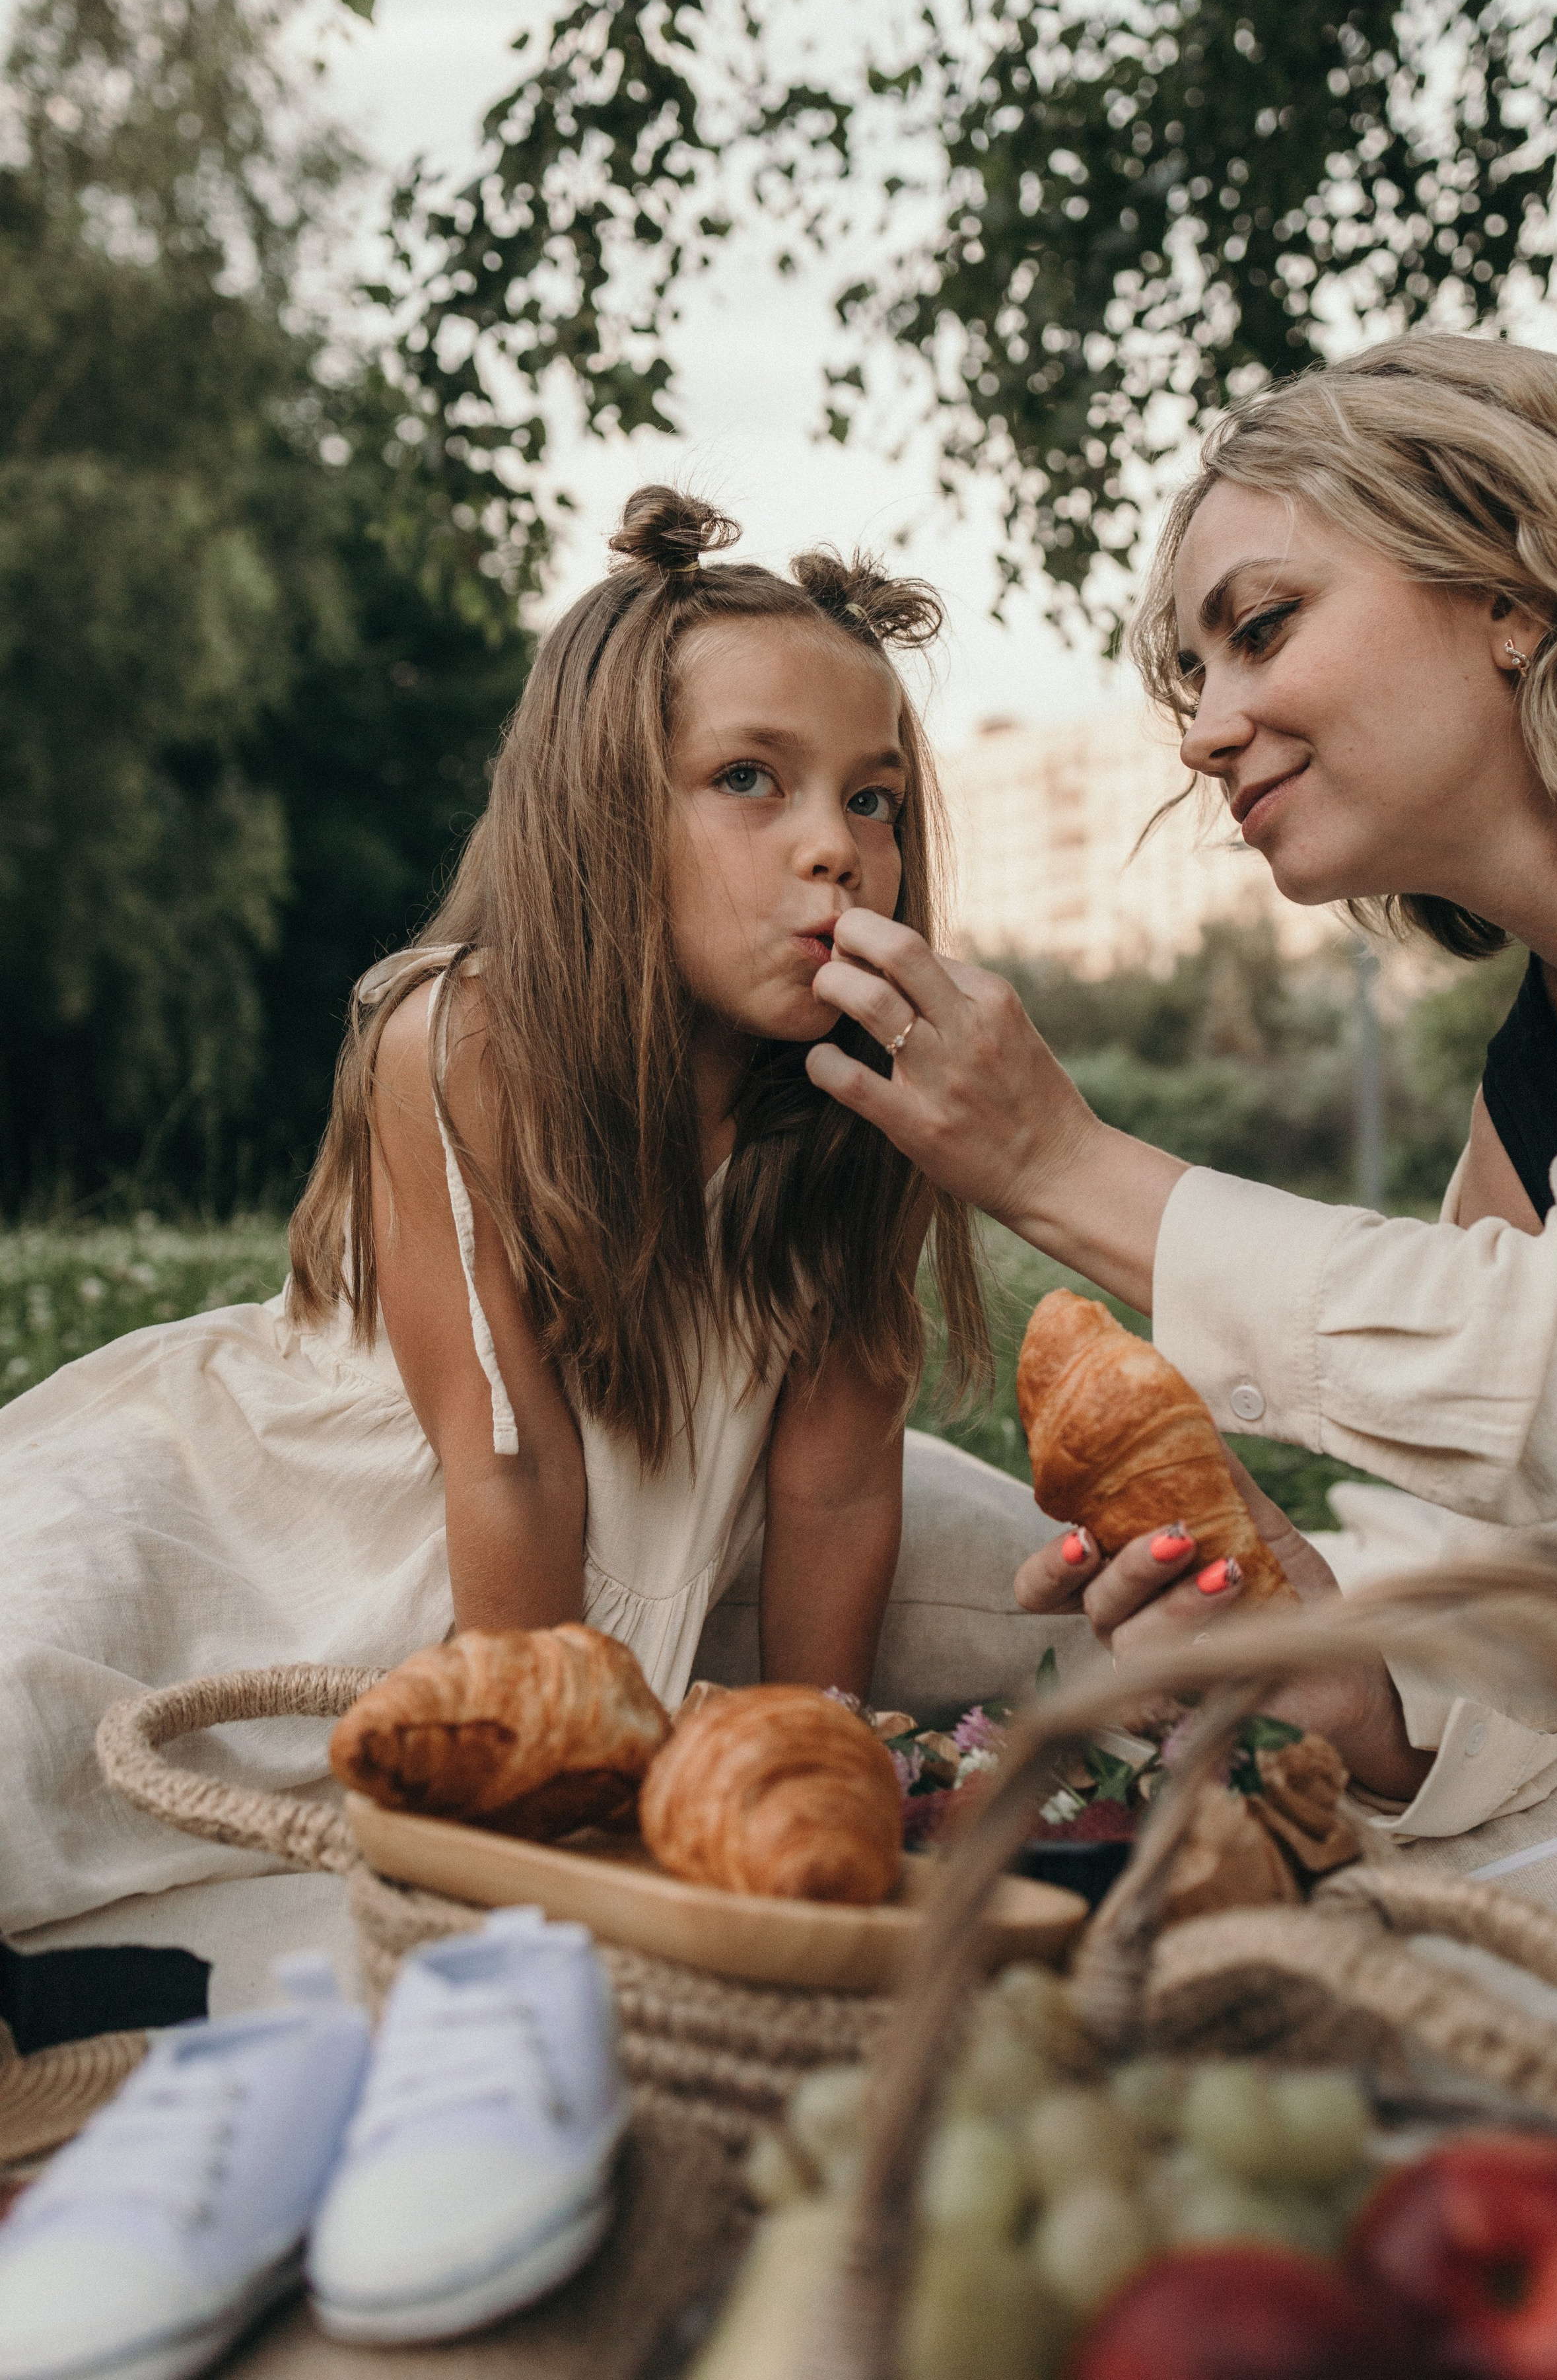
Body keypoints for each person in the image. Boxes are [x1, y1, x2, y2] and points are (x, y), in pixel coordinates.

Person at [1, 485, 1006, 1937]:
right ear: (601, 815)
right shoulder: (459, 1046)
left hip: (662, 1547)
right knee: (39, 1707)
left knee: (1061, 1621)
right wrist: (541, 1810)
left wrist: (791, 1772)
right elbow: (515, 1470)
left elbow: (838, 1484)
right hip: (326, 1528)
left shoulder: (869, 1093)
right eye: (748, 780)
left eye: (872, 798)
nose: (835, 847)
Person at [805, 334, 1557, 1845]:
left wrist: (1055, 1163)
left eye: (1261, 629)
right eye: (1194, 674)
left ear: (1512, 590)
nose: (1205, 729)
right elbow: (1521, 1541)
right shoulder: (1536, 1073)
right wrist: (1333, 1661)